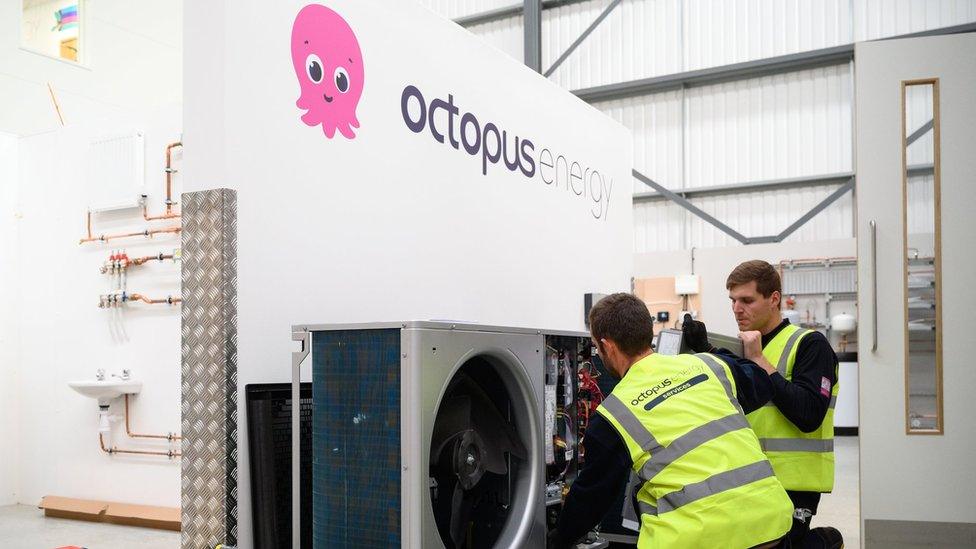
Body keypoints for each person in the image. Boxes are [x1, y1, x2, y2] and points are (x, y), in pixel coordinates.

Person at [550, 293, 793, 549]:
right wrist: (707, 347)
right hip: (770, 524)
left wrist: (557, 539)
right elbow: (761, 381)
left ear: (606, 346)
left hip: (697, 539)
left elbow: (592, 497)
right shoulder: (709, 365)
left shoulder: (614, 414)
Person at [682, 260, 843, 549]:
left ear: (774, 299)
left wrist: (758, 360)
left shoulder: (810, 345)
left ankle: (825, 542)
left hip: (795, 485)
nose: (736, 309)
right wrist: (703, 348)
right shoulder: (747, 349)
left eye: (747, 300)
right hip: (750, 480)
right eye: (732, 300)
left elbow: (809, 414)